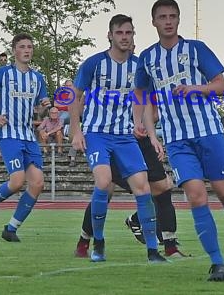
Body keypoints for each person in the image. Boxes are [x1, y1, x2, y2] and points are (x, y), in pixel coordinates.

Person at [133, 0, 224, 281]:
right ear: (153, 22)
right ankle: (218, 263)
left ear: (179, 20)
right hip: (178, 140)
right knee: (195, 195)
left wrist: (195, 89)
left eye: (172, 16)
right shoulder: (147, 59)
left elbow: (221, 85)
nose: (168, 21)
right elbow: (142, 96)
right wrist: (147, 130)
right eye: (162, 17)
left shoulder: (196, 49)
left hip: (208, 133)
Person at [68, 14, 165, 263]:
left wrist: (150, 134)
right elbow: (74, 96)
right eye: (120, 33)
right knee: (103, 183)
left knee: (143, 188)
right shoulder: (94, 64)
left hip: (125, 137)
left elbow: (143, 101)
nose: (125, 37)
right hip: (97, 133)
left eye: (129, 33)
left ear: (134, 36)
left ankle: (153, 251)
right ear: (110, 35)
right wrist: (76, 131)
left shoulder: (139, 67)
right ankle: (98, 242)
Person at [0, 32, 51, 242]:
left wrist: (44, 108)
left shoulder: (37, 78)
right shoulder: (3, 73)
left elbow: (40, 111)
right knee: (17, 181)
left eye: (30, 47)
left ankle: (11, 228)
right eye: (23, 47)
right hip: (9, 135)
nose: (27, 50)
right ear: (14, 50)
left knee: (37, 184)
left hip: (28, 135)